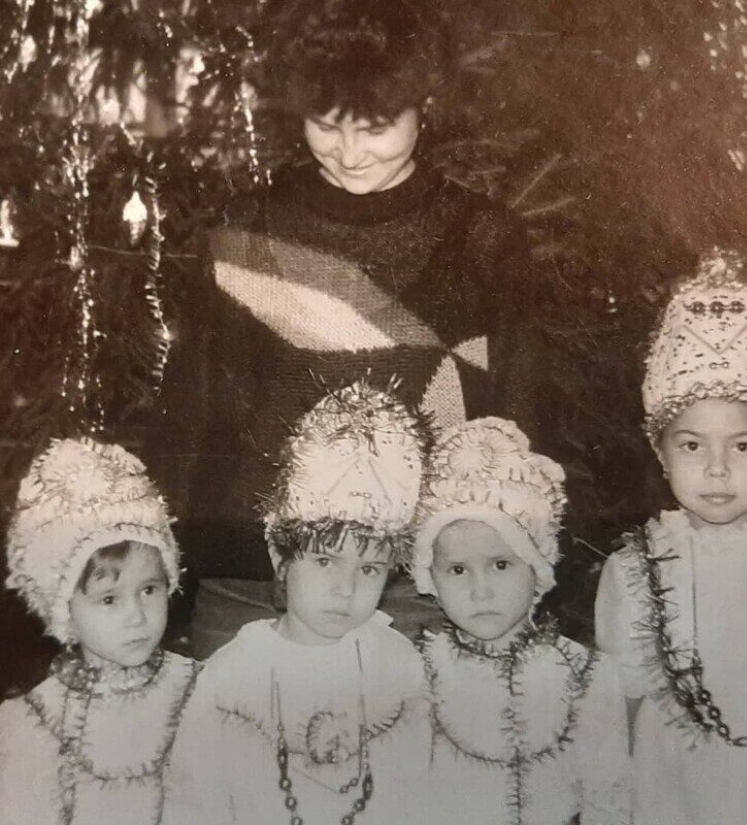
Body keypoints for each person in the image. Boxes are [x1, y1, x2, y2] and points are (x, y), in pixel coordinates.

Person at [153, 0, 544, 656]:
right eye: (326, 124)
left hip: (423, 585)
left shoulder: (482, 240)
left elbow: (519, 424)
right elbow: (190, 420)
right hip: (254, 583)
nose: (350, 152)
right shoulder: (247, 232)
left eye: (375, 126)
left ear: (423, 100)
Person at [595, 250, 747, 825]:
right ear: (661, 454)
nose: (716, 469)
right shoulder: (632, 569)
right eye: (692, 445)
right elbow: (617, 699)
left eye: (742, 446)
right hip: (672, 783)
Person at [163, 380, 431, 825]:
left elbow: (418, 791)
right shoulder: (229, 675)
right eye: (326, 561)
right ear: (280, 556)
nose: (346, 588)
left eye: (369, 569)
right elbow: (192, 803)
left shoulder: (398, 663)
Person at [412, 417, 630, 825]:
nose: (481, 591)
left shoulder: (586, 675)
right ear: (432, 580)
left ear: (537, 569)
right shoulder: (416, 673)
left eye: (500, 564)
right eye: (458, 570)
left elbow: (609, 796)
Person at [0, 437, 199, 825]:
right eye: (109, 599)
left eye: (149, 590)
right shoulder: (31, 723)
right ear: (65, 608)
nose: (137, 616)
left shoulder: (202, 689)